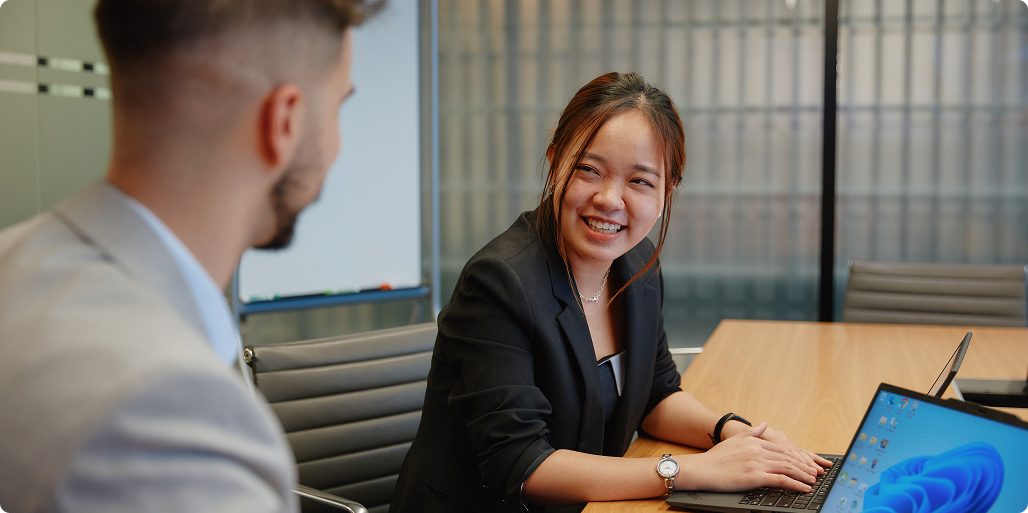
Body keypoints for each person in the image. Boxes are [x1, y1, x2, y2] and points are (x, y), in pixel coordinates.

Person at [391, 72, 831, 513]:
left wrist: (735, 433)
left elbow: (656, 396)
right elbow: (523, 466)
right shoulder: (499, 283)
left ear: (667, 190)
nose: (609, 198)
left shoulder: (638, 265)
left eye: (640, 181)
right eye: (588, 170)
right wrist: (692, 471)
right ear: (555, 159)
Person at [0, 1, 378, 511]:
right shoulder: (170, 410)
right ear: (283, 122)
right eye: (338, 107)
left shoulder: (13, 261)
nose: (336, 145)